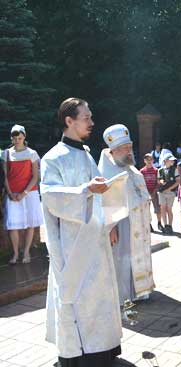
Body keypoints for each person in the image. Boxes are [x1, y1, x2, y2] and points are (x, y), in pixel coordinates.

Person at [41, 97, 122, 366]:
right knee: (79, 299)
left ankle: (103, 350)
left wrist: (108, 222)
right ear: (69, 121)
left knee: (99, 298)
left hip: (96, 240)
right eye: (86, 117)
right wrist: (86, 190)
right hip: (72, 245)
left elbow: (97, 194)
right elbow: (51, 196)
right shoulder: (52, 158)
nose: (92, 122)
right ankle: (79, 357)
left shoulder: (86, 153)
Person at [98, 124, 155, 305]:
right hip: (120, 224)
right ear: (113, 151)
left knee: (134, 259)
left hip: (137, 223)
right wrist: (110, 227)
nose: (129, 152)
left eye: (130, 147)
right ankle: (123, 295)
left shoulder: (132, 169)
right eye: (124, 149)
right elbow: (103, 203)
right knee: (121, 260)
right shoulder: (106, 172)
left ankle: (139, 291)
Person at [2, 124, 44, 264]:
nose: (17, 141)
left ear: (24, 137)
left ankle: (26, 252)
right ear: (12, 139)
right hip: (12, 193)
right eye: (14, 138)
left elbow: (35, 176)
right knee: (13, 225)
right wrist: (10, 193)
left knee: (30, 224)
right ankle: (15, 254)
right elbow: (5, 176)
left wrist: (24, 193)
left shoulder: (32, 153)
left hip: (29, 193)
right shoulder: (6, 153)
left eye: (19, 138)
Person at [157, 153, 180, 234]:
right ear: (165, 161)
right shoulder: (160, 170)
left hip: (170, 192)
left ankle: (170, 225)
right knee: (163, 208)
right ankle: (165, 225)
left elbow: (178, 181)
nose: (173, 161)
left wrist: (169, 189)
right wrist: (161, 181)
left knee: (169, 209)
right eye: (171, 160)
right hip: (162, 192)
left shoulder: (175, 169)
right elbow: (158, 179)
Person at [140, 153, 162, 231]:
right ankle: (149, 224)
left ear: (153, 160)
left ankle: (159, 223)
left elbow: (158, 182)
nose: (149, 161)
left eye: (150, 159)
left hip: (154, 191)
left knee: (157, 208)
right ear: (144, 161)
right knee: (147, 209)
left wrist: (154, 191)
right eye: (147, 159)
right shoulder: (142, 171)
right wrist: (147, 193)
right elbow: (141, 183)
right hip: (146, 192)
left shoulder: (156, 170)